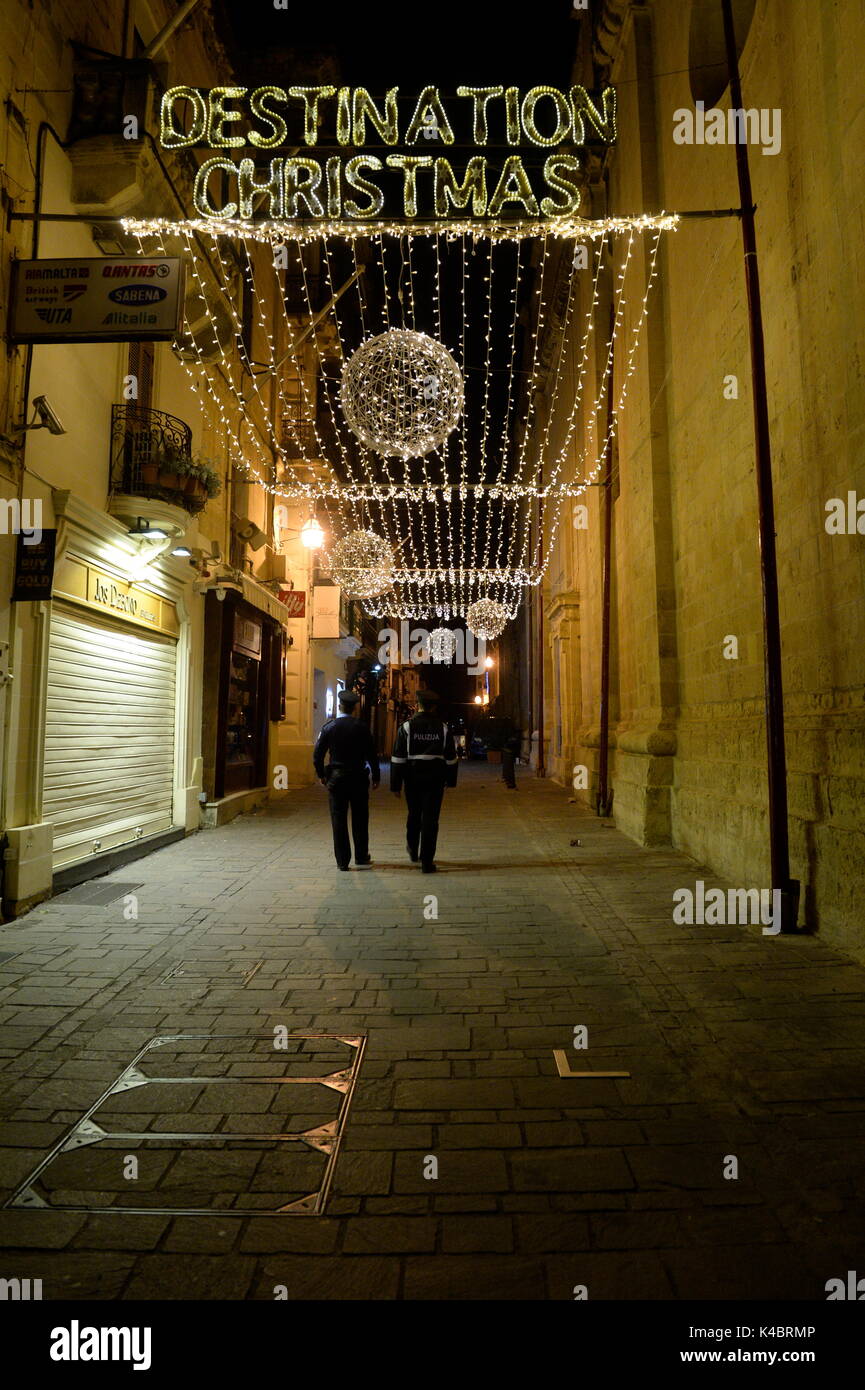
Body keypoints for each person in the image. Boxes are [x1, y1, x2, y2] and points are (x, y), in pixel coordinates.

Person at [390, 688, 458, 873]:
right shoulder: (443, 729)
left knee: (414, 814)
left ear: (418, 705)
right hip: (435, 780)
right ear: (434, 707)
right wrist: (451, 781)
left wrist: (396, 785)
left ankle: (412, 849)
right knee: (431, 819)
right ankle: (427, 861)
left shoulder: (406, 727)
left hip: (412, 779)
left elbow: (398, 758)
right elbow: (451, 758)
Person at [313, 689, 380, 870]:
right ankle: (361, 856)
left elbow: (318, 755)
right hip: (358, 777)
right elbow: (372, 754)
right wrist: (376, 776)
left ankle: (343, 861)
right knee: (360, 818)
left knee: (338, 819)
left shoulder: (329, 727)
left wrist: (321, 775)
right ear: (354, 708)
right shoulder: (362, 727)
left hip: (337, 779)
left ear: (339, 706)